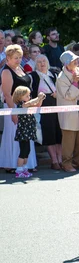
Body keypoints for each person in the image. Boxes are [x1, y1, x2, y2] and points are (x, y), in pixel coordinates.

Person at [0, 45, 37, 173]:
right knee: (14, 135)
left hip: (25, 107)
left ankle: (27, 163)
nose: (19, 60)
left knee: (25, 135)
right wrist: (14, 112)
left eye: (20, 57)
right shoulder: (6, 71)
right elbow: (7, 94)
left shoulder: (20, 68)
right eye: (16, 58)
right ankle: (11, 163)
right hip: (13, 107)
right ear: (8, 58)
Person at [56, 50, 79, 173]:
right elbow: (69, 95)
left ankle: (78, 161)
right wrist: (76, 82)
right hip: (68, 112)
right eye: (73, 60)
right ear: (66, 63)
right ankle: (67, 163)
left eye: (76, 59)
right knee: (69, 140)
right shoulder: (61, 78)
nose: (76, 61)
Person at [30, 55, 63, 170]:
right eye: (39, 62)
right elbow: (32, 93)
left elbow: (62, 88)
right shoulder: (33, 76)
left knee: (59, 133)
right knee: (49, 134)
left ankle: (60, 159)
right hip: (44, 107)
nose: (42, 63)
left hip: (57, 105)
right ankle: (54, 161)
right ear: (35, 64)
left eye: (44, 61)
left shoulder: (54, 74)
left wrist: (57, 94)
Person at [12, 87, 45, 178]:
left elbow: (37, 105)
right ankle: (19, 169)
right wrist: (38, 97)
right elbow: (30, 103)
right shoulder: (22, 105)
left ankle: (24, 168)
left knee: (27, 150)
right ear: (20, 97)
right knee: (23, 151)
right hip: (23, 131)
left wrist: (41, 99)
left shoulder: (28, 104)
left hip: (28, 131)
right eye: (26, 95)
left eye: (29, 95)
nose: (29, 97)